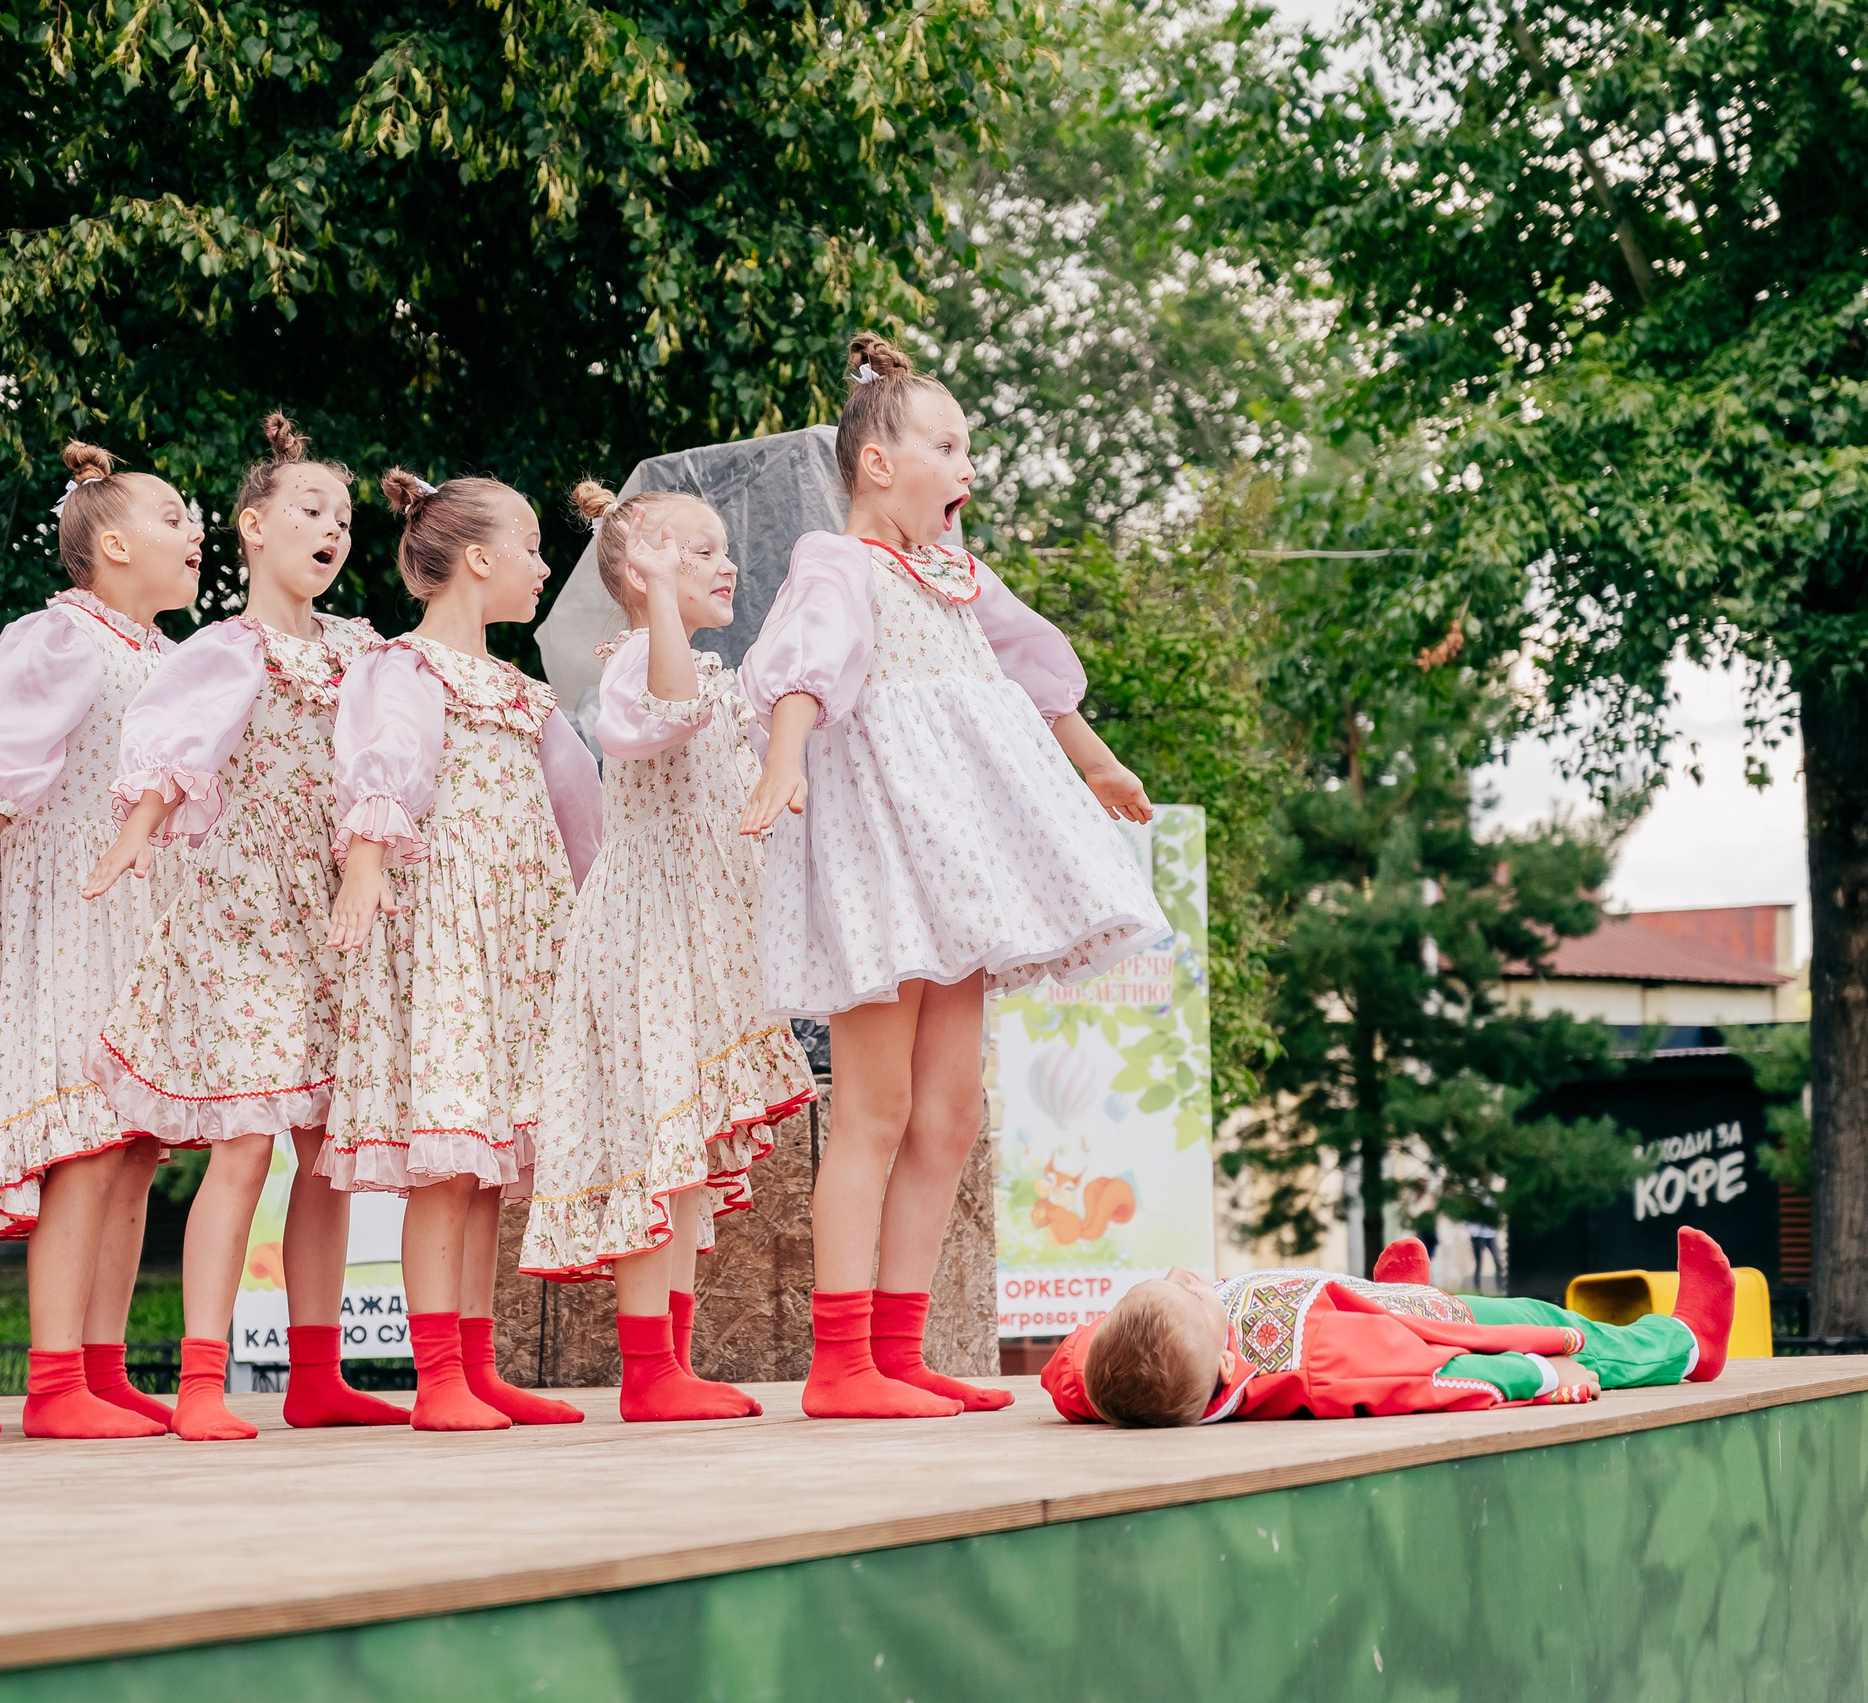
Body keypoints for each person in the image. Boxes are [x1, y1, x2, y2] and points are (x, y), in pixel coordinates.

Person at [739, 332, 1167, 1419]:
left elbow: (1032, 667)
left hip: (959, 862)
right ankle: (840, 1365)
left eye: (968, 443)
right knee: (875, 1104)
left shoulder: (956, 574)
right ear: (878, 463)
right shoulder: (837, 564)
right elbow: (804, 668)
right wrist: (784, 757)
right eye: (946, 443)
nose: (966, 464)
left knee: (951, 1110)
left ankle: (899, 1342)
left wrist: (1099, 762)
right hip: (882, 860)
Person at [87, 412, 407, 1438]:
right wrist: (140, 828)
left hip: (336, 911)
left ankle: (317, 1371)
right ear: (253, 525)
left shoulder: (365, 651)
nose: (333, 528)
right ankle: (199, 1381)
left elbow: (388, 765)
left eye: (345, 517)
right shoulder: (227, 647)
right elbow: (179, 744)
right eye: (312, 508)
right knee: (242, 1142)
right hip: (241, 912)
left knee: (325, 1146)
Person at [0, 442, 205, 1439]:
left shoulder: (165, 657)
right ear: (112, 544)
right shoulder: (64, 638)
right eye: (171, 516)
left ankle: (103, 1360)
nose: (193, 529)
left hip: (144, 914)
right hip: (73, 905)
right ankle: (50, 1379)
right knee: (82, 1142)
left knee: (132, 1147)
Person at [517, 481, 815, 1421]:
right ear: (641, 572)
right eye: (698, 551)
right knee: (662, 1144)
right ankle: (648, 1369)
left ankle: (670, 1361)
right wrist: (653, 603)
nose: (726, 563)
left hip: (707, 940)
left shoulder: (712, 673)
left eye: (722, 548)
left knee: (687, 1151)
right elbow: (656, 722)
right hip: (650, 935)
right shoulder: (638, 665)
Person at [323, 470, 602, 1430]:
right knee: (445, 1163)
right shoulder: (405, 670)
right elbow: (385, 766)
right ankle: (436, 1374)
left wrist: (597, 914)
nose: (542, 564)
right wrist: (364, 866)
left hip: (514, 942)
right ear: (478, 560)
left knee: (485, 1164)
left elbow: (580, 818)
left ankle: (477, 1365)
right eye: (530, 546)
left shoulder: (523, 696)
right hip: (441, 931)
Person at [1042, 1227, 1737, 1426]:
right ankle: (1683, 1343)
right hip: (1426, 1338)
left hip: (1373, 1318)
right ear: (1228, 1369)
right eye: (1195, 1293)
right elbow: (1434, 1379)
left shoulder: (1112, 1370)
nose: (1185, 1273)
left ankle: (1395, 1298)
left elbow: (1070, 1371)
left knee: (1396, 1312)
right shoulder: (1320, 1364)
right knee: (1540, 1321)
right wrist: (1543, 1374)